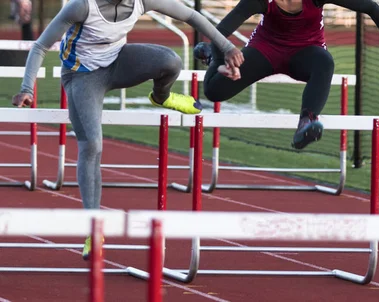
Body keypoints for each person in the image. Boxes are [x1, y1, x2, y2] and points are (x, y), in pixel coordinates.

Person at [11, 0, 244, 260]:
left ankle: (161, 96)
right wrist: (27, 88)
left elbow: (192, 15)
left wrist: (227, 46)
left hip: (118, 62)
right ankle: (93, 228)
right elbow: (41, 45)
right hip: (82, 75)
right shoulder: (80, 7)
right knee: (92, 145)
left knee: (170, 61)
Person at [193, 0, 379, 149]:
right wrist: (221, 61)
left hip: (305, 51)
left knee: (325, 62)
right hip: (266, 50)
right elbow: (220, 32)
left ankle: (306, 123)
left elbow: (371, 7)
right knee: (214, 90)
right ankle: (210, 58)